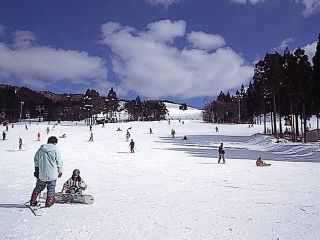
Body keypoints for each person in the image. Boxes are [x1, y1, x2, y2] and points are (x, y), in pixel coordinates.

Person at [30, 136, 63, 208]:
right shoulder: (55, 149)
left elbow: (36, 160)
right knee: (51, 188)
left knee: (39, 186)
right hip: (52, 173)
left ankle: (33, 200)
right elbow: (59, 162)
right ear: (54, 142)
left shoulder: (40, 149)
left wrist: (36, 170)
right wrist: (60, 171)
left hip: (42, 173)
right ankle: (49, 202)